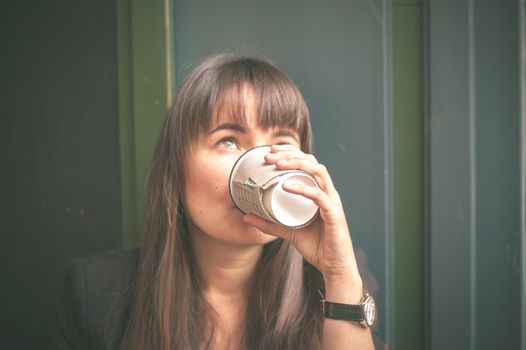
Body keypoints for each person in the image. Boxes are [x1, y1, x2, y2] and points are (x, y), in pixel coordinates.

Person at [49, 53, 383, 349]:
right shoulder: (96, 294)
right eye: (228, 141)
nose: (265, 161)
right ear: (177, 169)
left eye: (282, 142)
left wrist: (339, 275)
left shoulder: (337, 279)